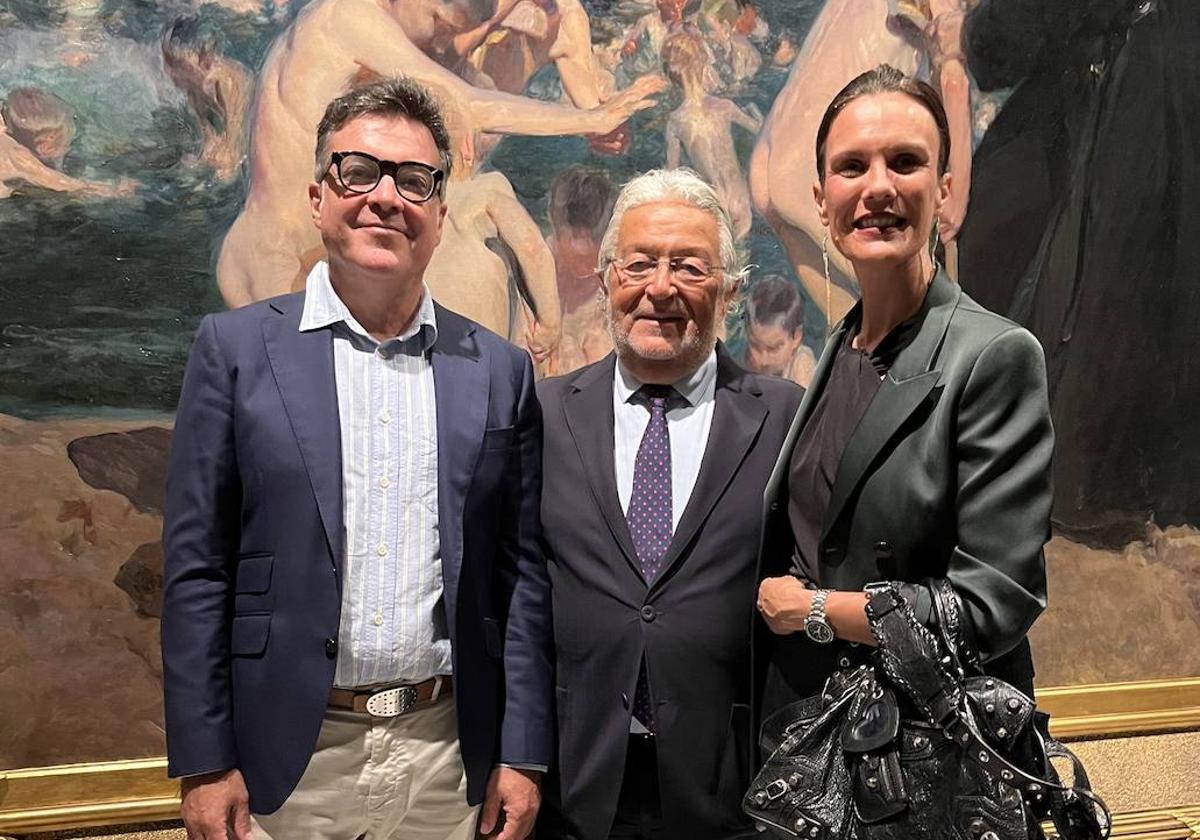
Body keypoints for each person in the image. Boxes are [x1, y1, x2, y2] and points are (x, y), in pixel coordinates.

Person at [161, 77, 552, 840]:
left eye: (414, 181)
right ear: (318, 197)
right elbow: (196, 568)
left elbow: (523, 575)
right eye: (359, 171)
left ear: (440, 214)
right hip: (288, 762)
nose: (385, 197)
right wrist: (204, 763)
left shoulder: (500, 370)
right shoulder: (235, 351)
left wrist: (523, 752)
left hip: (449, 758)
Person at [755, 65, 1053, 765]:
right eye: (852, 166)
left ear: (944, 190)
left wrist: (818, 612)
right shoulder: (839, 345)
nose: (878, 187)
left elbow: (991, 607)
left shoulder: (996, 356)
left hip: (928, 768)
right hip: (820, 759)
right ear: (822, 199)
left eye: (906, 162)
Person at [537, 168, 804, 839]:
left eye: (688, 266)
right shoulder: (542, 414)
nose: (660, 287)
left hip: (730, 793)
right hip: (574, 788)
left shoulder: (788, 419)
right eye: (639, 264)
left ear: (730, 292)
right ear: (605, 282)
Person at [215, 0, 662, 308]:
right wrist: (592, 119)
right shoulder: (347, 16)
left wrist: (605, 121)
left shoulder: (555, 18)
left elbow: (595, 117)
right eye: (437, 17)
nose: (443, 32)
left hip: (339, 260)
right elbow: (464, 100)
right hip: (276, 256)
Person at [958, 0, 1200, 546]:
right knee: (1006, 216)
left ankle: (1090, 480)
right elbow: (998, 51)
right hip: (1081, 84)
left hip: (1150, 89)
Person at [748, 0, 974, 323]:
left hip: (772, 158)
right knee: (923, 319)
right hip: (806, 168)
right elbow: (954, 79)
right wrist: (958, 189)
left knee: (858, 331)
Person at [662, 29, 762, 241]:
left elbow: (671, 176)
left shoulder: (676, 121)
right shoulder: (724, 107)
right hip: (742, 201)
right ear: (701, 64)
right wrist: (757, 114)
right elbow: (761, 132)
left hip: (715, 207)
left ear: (672, 73)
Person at [161, 15, 251, 183]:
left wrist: (228, 156)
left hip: (247, 115)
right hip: (229, 118)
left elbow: (236, 132)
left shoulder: (225, 81)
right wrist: (205, 154)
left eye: (175, 64)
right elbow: (207, 134)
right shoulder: (193, 88)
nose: (168, 72)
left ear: (201, 61)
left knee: (224, 169)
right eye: (167, 62)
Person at [0, 86, 133, 199]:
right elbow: (65, 184)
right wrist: (113, 190)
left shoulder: (7, 137)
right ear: (46, 145)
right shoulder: (16, 155)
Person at [545, 165, 617, 372]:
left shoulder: (616, 270)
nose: (583, 246)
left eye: (593, 237)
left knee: (596, 343)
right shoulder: (543, 261)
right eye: (575, 235)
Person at [742, 275, 816, 388]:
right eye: (755, 346)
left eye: (773, 349)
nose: (763, 360)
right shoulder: (751, 359)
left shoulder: (802, 366)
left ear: (796, 337)